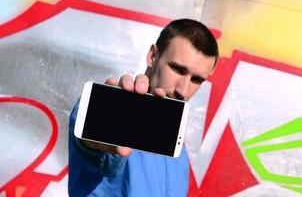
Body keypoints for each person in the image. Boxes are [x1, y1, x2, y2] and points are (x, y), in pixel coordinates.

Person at [68, 19, 219, 196]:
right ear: (153, 56)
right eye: (178, 69)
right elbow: (96, 148)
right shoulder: (108, 109)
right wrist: (103, 126)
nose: (183, 90)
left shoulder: (178, 149)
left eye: (196, 80)